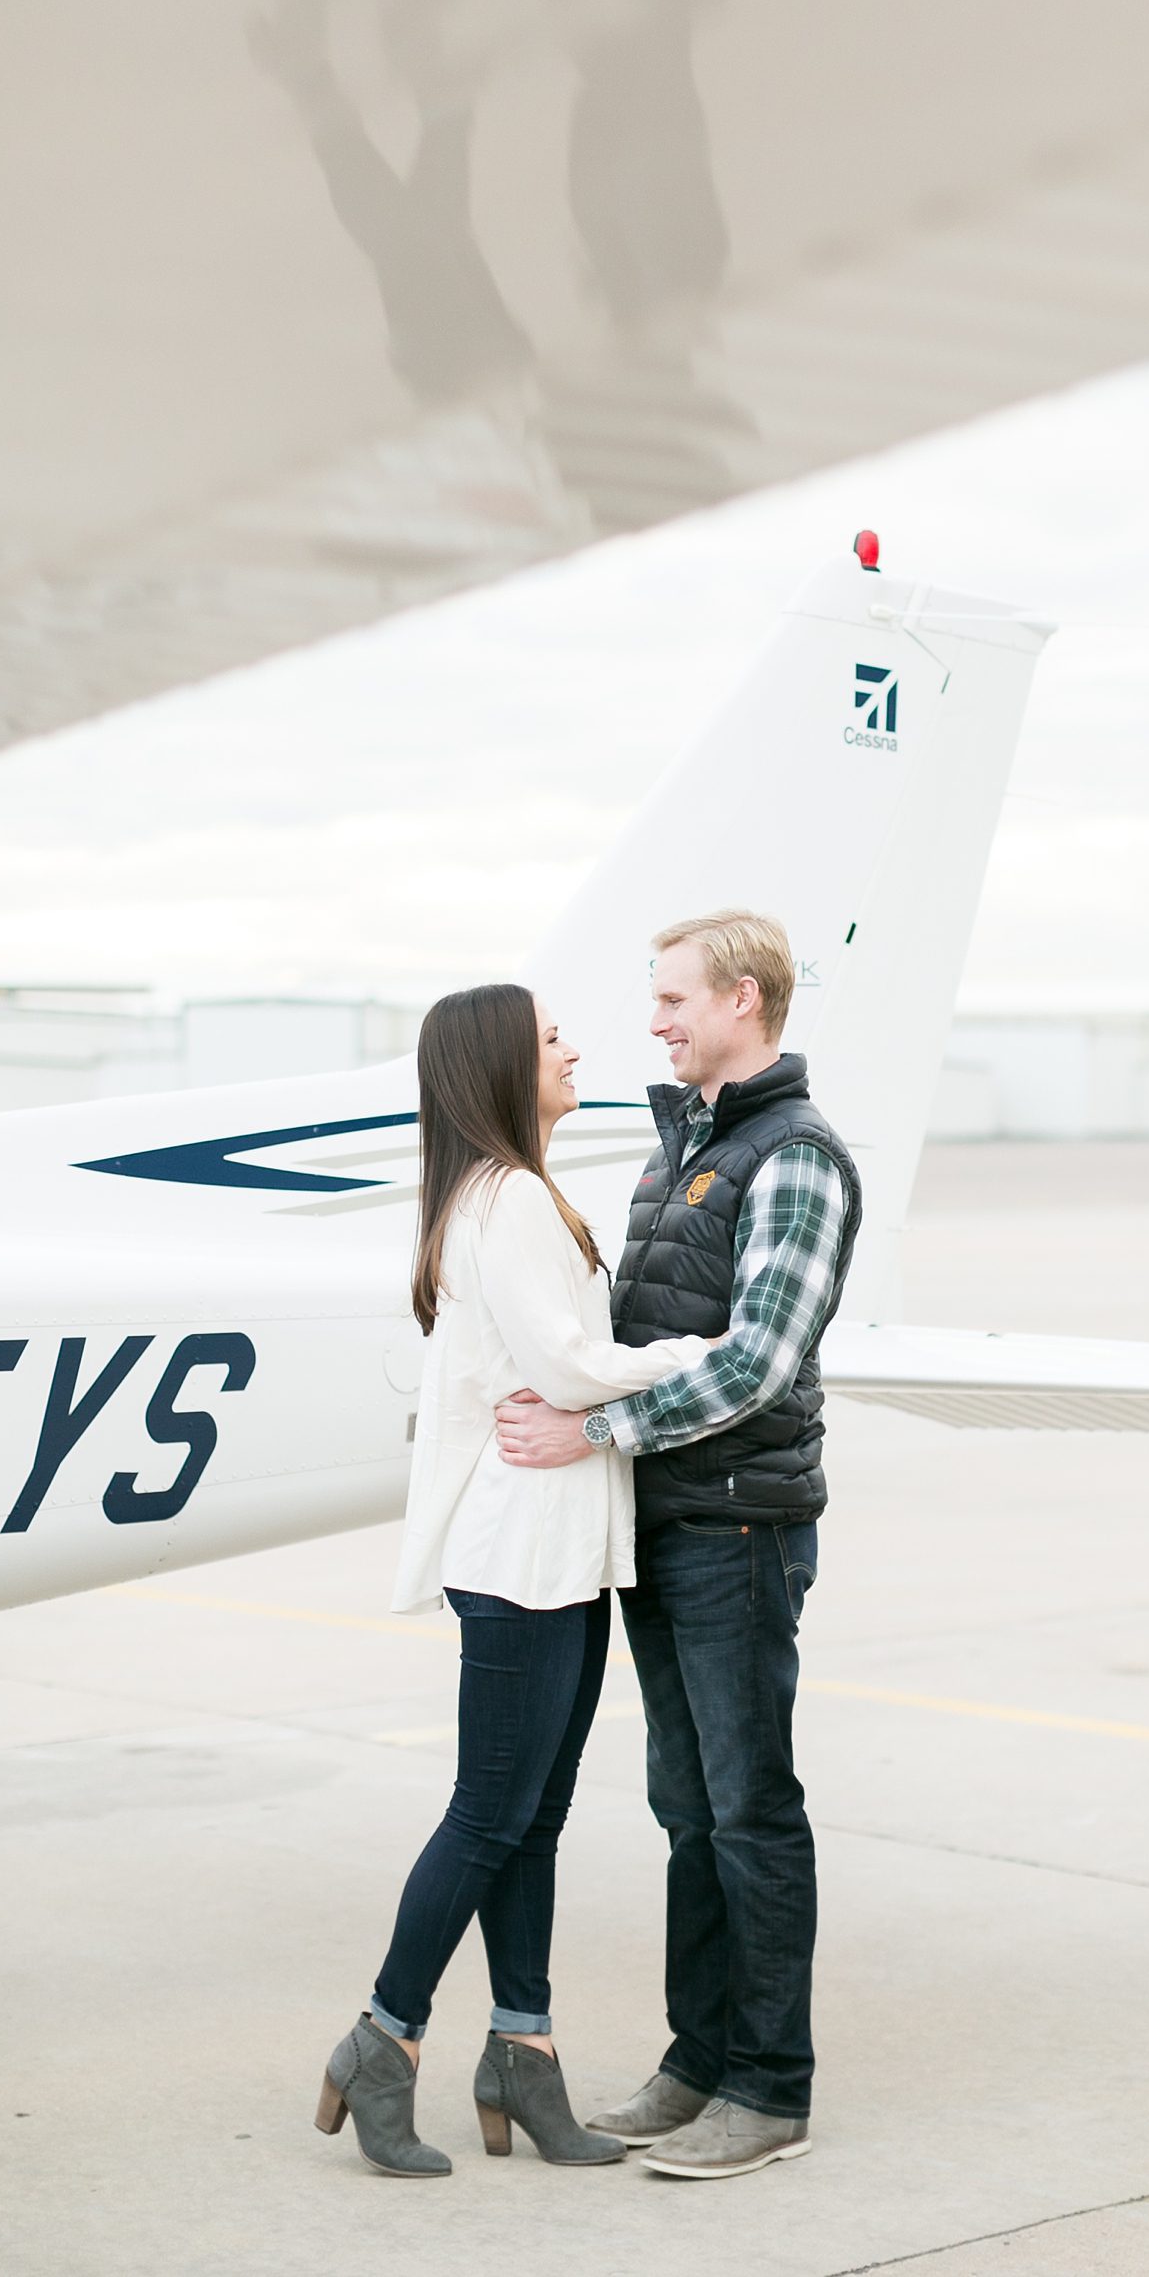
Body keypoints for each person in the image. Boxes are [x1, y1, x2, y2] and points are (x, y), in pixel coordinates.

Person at [316, 982, 708, 2178]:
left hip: (560, 1551)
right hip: (524, 1557)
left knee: (532, 1817)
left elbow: (559, 1370)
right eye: (550, 1037)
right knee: (490, 1813)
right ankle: (382, 2036)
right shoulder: (511, 1199)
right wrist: (700, 1354)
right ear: (498, 1062)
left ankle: (523, 2054)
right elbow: (569, 1364)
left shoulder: (499, 1193)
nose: (573, 1048)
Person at [495, 910, 861, 2180]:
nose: (652, 1021)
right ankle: (698, 2061)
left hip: (739, 1524)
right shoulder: (682, 1148)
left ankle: (769, 2087)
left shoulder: (794, 1156)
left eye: (672, 998)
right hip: (669, 1519)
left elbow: (757, 1360)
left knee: (750, 1808)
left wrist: (596, 1432)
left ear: (744, 999)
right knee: (688, 1807)